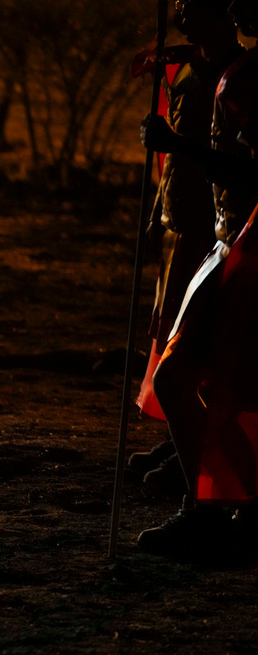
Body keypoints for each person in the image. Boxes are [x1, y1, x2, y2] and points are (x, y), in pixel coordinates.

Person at [137, 0, 258, 556]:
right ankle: (223, 507)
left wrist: (176, 146)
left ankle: (209, 512)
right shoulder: (237, 72)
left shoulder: (250, 80)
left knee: (185, 376)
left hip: (245, 244)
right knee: (202, 380)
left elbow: (253, 172)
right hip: (228, 238)